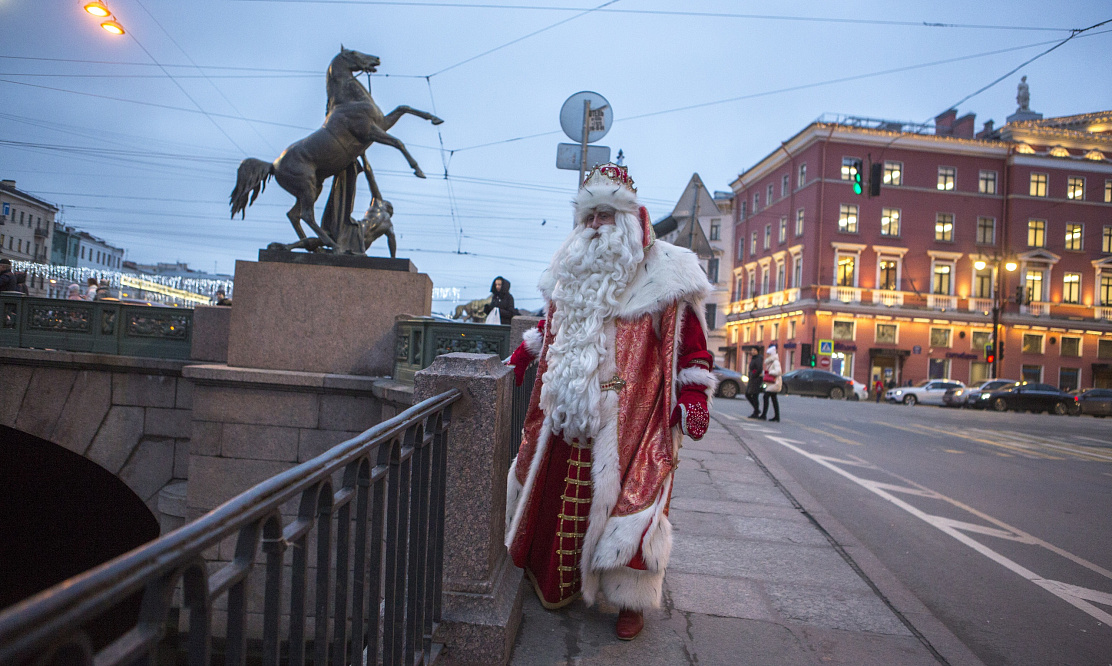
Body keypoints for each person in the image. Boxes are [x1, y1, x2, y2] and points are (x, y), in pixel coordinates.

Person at [503, 163, 715, 641]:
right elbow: (554, 324)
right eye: (590, 215)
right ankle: (554, 578)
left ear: (629, 216)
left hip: (633, 414)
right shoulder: (571, 266)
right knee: (564, 494)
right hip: (570, 404)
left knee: (634, 502)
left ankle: (629, 601)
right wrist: (524, 352)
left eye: (606, 214)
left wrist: (694, 396)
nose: (597, 224)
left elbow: (692, 346)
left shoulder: (668, 271)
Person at [760, 345, 782, 422]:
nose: (767, 355)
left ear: (772, 354)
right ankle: (777, 416)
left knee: (766, 396)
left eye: (768, 354)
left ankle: (764, 415)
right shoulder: (771, 362)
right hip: (772, 382)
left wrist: (769, 372)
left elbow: (778, 372)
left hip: (775, 382)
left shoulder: (775, 362)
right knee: (773, 399)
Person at [745, 346, 764, 419]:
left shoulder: (758, 358)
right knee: (749, 394)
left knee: (754, 395)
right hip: (753, 379)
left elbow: (758, 369)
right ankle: (756, 410)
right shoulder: (754, 358)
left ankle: (756, 412)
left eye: (754, 350)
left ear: (757, 351)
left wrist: (753, 374)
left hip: (756, 379)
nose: (753, 351)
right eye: (752, 350)